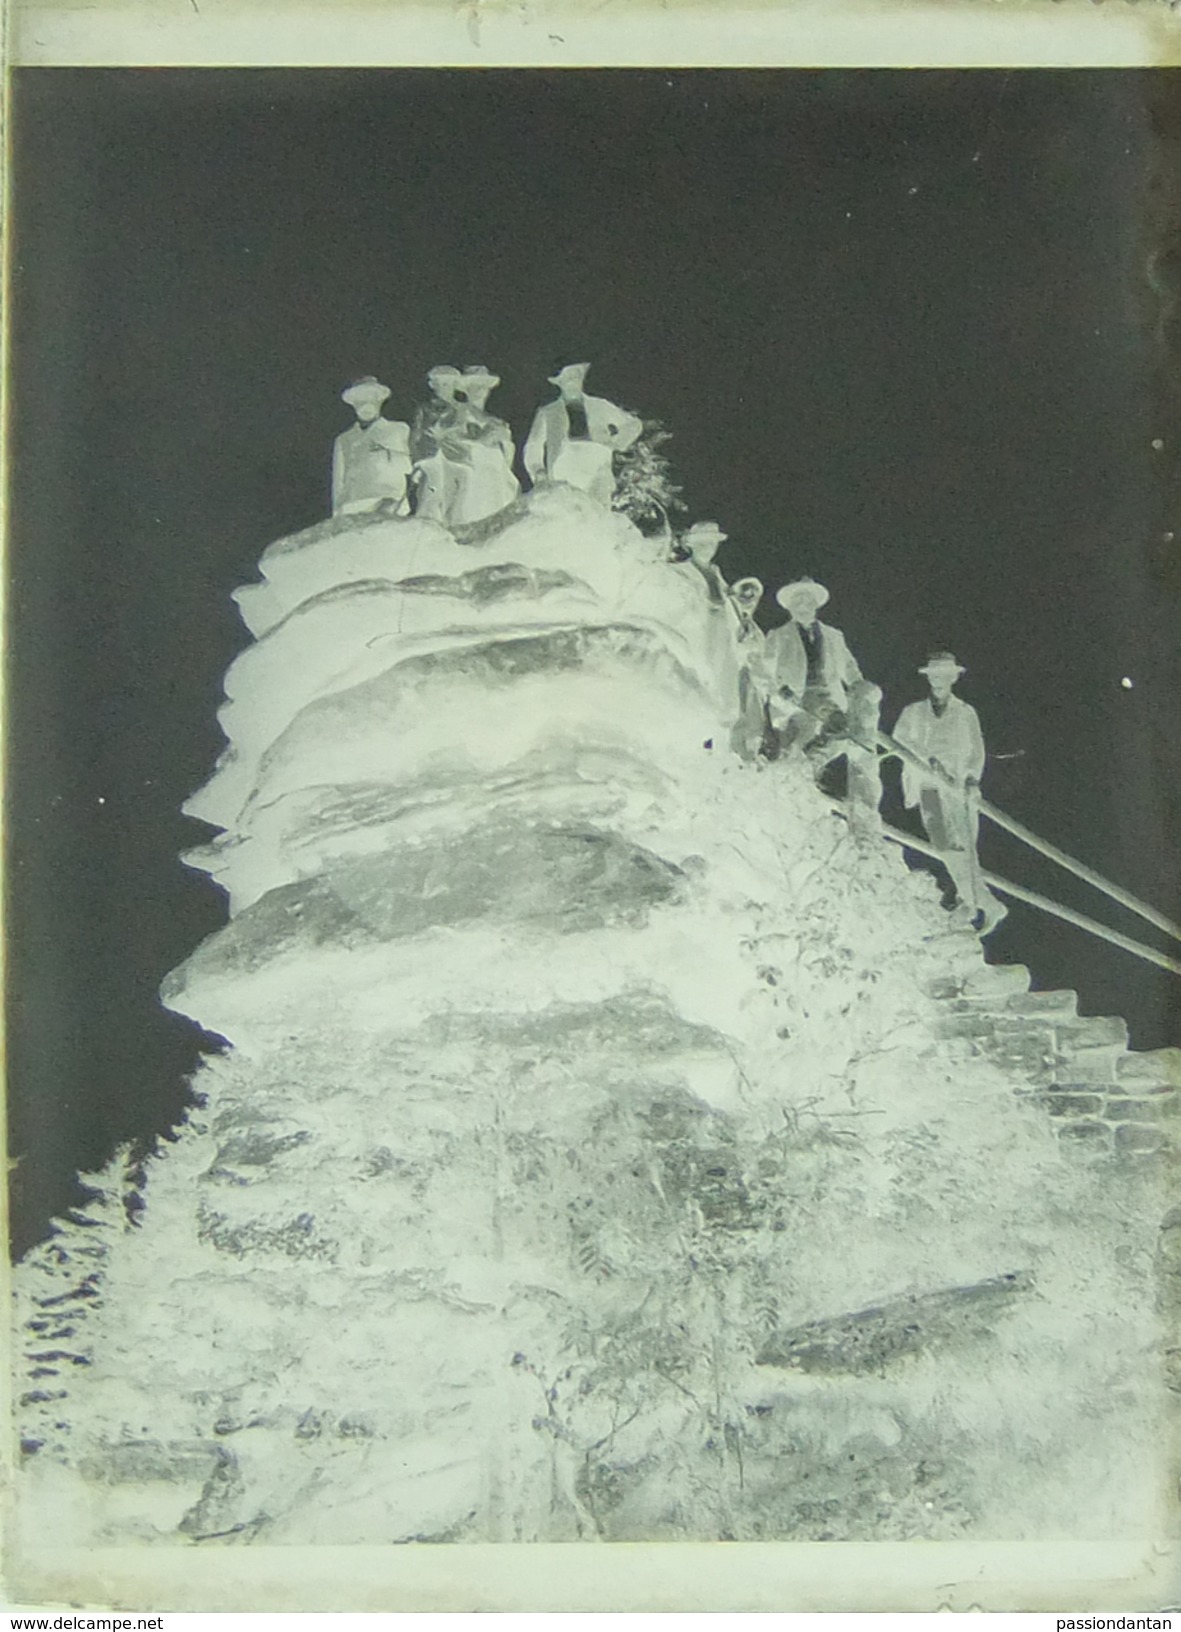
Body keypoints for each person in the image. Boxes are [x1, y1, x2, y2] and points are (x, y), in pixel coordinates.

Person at [892, 651, 1003, 931]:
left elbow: (977, 751)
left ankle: (970, 903)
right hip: (928, 785)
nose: (939, 680)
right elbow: (900, 740)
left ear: (953, 678)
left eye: (945, 675)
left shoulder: (966, 712)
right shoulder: (913, 712)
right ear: (928, 678)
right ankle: (985, 904)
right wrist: (927, 761)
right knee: (945, 845)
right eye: (934, 675)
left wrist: (970, 779)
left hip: (958, 787)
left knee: (965, 847)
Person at [762, 578, 863, 760]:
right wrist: (779, 689)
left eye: (807, 600)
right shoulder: (778, 636)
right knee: (800, 735)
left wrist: (860, 688)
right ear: (789, 607)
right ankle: (798, 767)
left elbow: (849, 667)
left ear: (816, 605)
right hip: (794, 699)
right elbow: (764, 670)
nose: (802, 605)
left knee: (842, 731)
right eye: (797, 601)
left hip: (828, 697)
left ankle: (814, 762)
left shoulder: (834, 635)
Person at [522, 360, 642, 506]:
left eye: (576, 375)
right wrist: (538, 470)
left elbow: (633, 424)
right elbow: (533, 445)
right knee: (570, 515)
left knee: (599, 514)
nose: (573, 380)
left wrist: (616, 443)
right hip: (565, 467)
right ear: (560, 382)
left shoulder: (600, 405)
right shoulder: (548, 412)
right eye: (568, 376)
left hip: (597, 464)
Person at [446, 365, 520, 524]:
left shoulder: (495, 421)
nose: (480, 390)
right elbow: (451, 443)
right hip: (471, 475)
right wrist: (481, 442)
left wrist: (506, 441)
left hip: (494, 475)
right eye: (475, 386)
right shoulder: (457, 413)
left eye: (484, 386)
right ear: (466, 389)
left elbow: (508, 459)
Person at [331, 377, 413, 516]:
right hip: (352, 504)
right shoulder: (344, 439)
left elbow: (409, 465)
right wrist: (337, 511)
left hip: (387, 499)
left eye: (370, 397)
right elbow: (338, 480)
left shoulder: (397, 429)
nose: (366, 403)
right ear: (353, 403)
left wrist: (386, 454)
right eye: (360, 399)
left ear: (379, 400)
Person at [409, 365, 465, 522]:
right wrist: (416, 463)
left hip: (456, 459)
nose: (444, 387)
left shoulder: (463, 410)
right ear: (433, 386)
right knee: (430, 497)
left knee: (457, 499)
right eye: (440, 383)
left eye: (448, 383)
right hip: (431, 459)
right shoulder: (424, 409)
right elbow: (415, 436)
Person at [726, 576, 774, 760]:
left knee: (755, 718)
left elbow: (762, 657)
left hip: (753, 678)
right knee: (734, 713)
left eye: (754, 593)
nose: (749, 595)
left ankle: (749, 756)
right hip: (732, 669)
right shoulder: (727, 617)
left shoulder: (756, 630)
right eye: (744, 590)